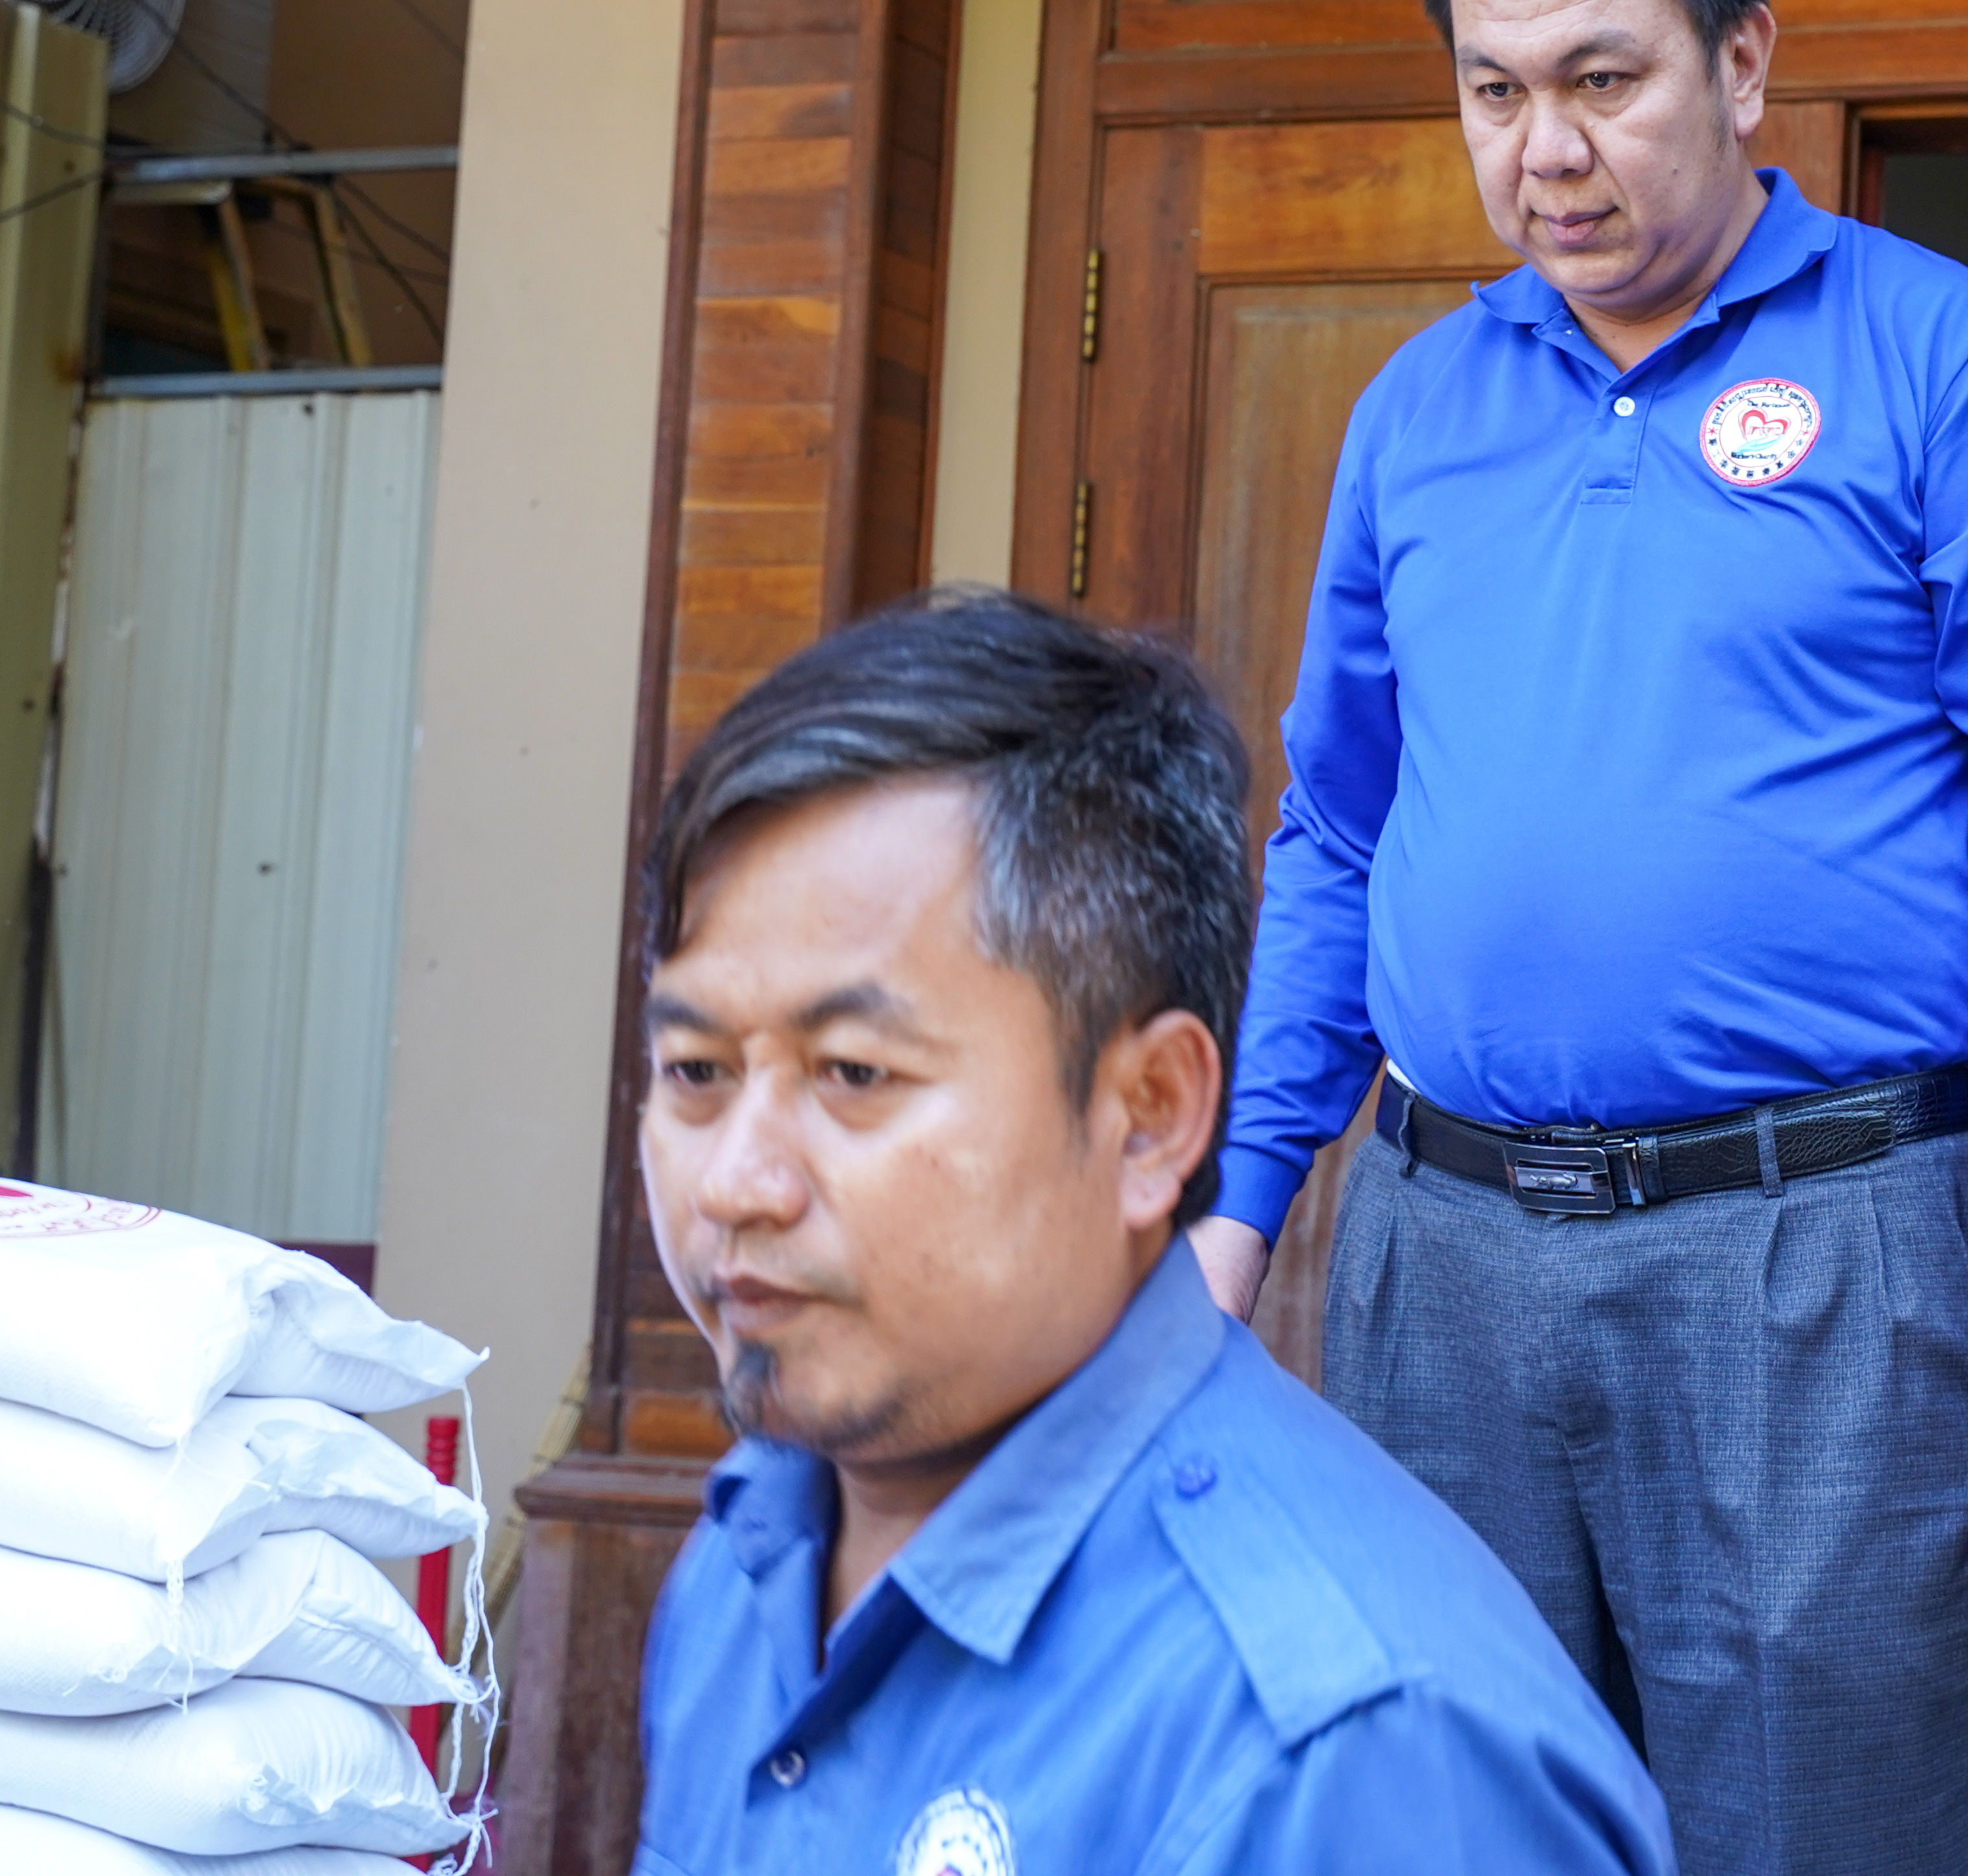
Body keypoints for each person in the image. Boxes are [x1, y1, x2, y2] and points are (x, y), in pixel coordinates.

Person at [1185, 0, 1968, 1875]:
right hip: (1440, 1249)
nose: (1545, 150)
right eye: (1494, 92)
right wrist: (1238, 1208)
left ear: (1742, 64)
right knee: (1441, 1826)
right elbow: (1342, 829)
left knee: (1824, 1838)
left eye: (1601, 79)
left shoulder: (1946, 356)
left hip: (1821, 1253)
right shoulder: (1418, 408)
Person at [628, 589, 1675, 1876]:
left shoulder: (1356, 1749)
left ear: (1149, 1114)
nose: (736, 1183)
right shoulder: (747, 1559)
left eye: (854, 1073)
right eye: (695, 1071)